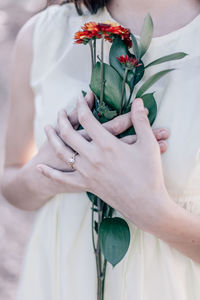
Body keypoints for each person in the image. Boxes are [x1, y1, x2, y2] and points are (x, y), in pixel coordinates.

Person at [1, 0, 200, 299]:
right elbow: (12, 182)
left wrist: (153, 212)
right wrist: (43, 173)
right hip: (59, 282)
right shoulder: (43, 35)